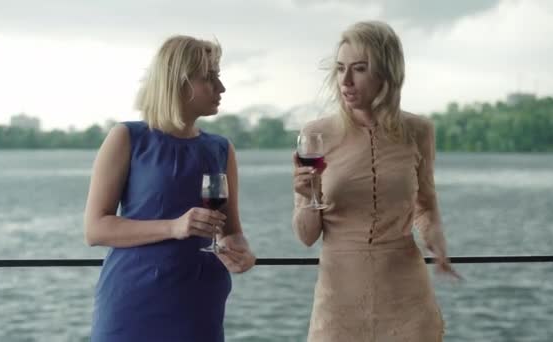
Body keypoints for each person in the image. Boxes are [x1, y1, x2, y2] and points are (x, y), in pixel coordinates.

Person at [292, 21, 460, 342]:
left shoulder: (419, 130)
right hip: (338, 299)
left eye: (359, 69)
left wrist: (437, 244)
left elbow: (426, 206)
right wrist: (309, 194)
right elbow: (306, 236)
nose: (345, 80)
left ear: (386, 73)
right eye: (340, 69)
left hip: (407, 296)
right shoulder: (315, 134)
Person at [84, 35, 256, 342]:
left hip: (200, 305)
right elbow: (96, 229)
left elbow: (231, 230)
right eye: (210, 78)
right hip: (134, 305)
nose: (221, 88)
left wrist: (241, 252)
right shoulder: (127, 137)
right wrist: (174, 227)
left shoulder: (221, 149)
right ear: (179, 82)